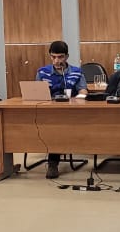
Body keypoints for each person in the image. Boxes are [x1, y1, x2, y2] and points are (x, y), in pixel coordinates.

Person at [35, 41, 86, 179]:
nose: (57, 61)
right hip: (48, 113)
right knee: (54, 127)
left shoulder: (76, 72)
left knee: (57, 126)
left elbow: (83, 90)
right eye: (53, 57)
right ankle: (53, 163)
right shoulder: (42, 72)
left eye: (60, 57)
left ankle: (53, 162)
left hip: (71, 112)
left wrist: (78, 98)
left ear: (67, 56)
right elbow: (36, 93)